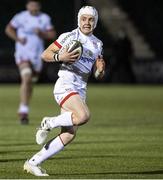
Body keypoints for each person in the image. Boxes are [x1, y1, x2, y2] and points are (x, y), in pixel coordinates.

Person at [23, 6, 105, 176]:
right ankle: (49, 122)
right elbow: (45, 54)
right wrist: (60, 57)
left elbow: (96, 74)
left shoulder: (98, 44)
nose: (87, 22)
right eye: (84, 19)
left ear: (95, 22)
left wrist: (100, 70)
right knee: (83, 116)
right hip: (66, 84)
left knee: (68, 134)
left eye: (91, 19)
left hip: (81, 89)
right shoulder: (69, 36)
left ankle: (33, 163)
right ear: (79, 20)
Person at [5, 0, 56, 124]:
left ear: (39, 6)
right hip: (23, 53)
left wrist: (42, 33)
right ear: (27, 6)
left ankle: (25, 107)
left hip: (38, 55)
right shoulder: (20, 17)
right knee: (26, 77)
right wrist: (17, 39)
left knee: (30, 83)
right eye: (31, 4)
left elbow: (52, 34)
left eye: (36, 5)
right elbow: (8, 29)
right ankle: (23, 110)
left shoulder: (44, 18)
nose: (33, 7)